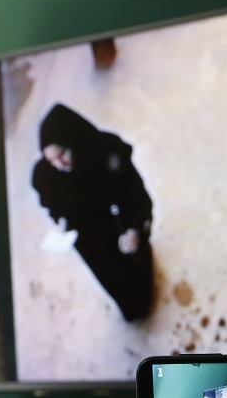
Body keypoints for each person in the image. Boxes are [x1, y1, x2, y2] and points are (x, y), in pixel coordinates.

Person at [30, 103, 155, 321]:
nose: (59, 164)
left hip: (120, 221)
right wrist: (61, 220)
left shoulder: (107, 151)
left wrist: (134, 228)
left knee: (138, 271)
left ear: (74, 141)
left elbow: (135, 193)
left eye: (63, 154)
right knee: (113, 277)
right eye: (51, 160)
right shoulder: (44, 175)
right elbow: (51, 205)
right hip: (88, 234)